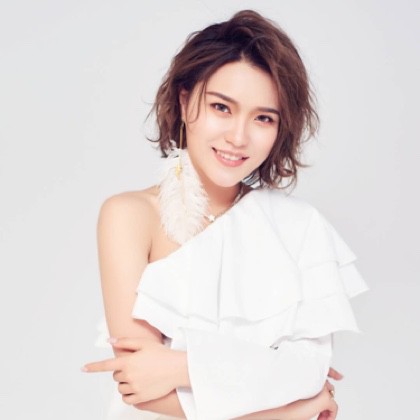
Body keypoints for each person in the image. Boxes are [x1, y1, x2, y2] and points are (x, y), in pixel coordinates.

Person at [83, 10, 368, 420]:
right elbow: (139, 386)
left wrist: (180, 367)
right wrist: (291, 409)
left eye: (263, 118)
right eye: (221, 107)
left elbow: (309, 371)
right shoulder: (129, 216)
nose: (238, 137)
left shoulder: (300, 227)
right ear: (184, 101)